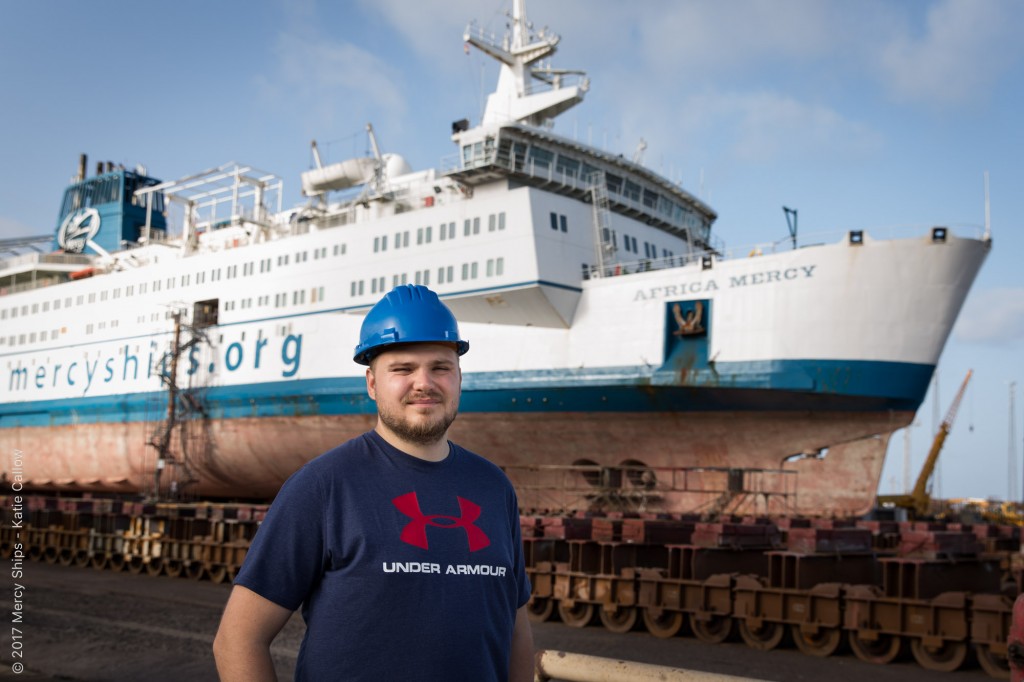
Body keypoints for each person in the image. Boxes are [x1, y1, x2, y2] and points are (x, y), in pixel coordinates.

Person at [213, 284, 534, 681]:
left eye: (440, 367)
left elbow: (516, 631)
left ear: (459, 377)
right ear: (371, 384)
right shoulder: (323, 486)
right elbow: (237, 639)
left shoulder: (494, 488)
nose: (424, 383)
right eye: (402, 369)